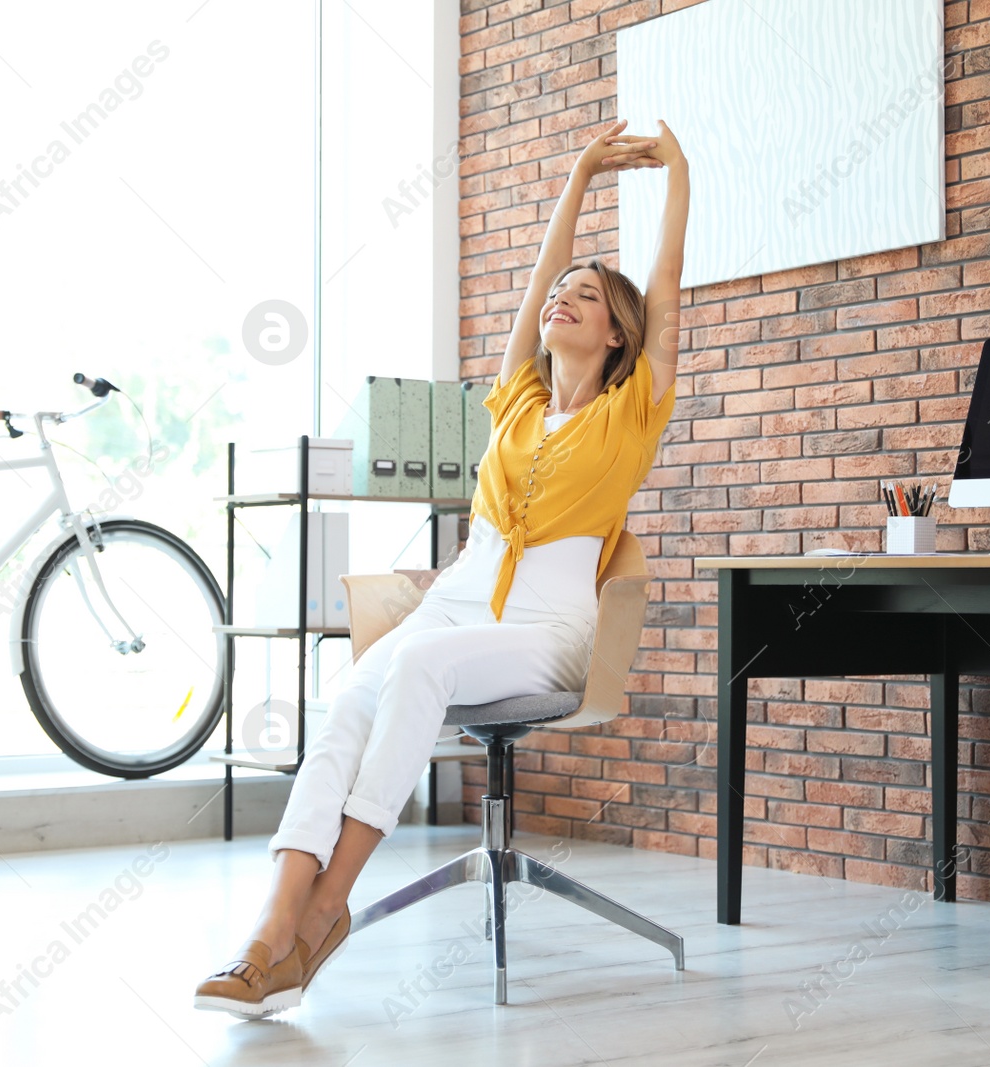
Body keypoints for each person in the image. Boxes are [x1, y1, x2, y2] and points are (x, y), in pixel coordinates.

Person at [194, 117, 691, 1017]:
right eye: (557, 295)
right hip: (460, 597)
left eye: (584, 295)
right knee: (347, 697)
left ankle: (327, 907)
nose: (558, 301)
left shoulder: (633, 413)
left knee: (416, 668)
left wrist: (678, 176)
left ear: (619, 332)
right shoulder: (518, 401)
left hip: (551, 629)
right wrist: (576, 171)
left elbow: (665, 282)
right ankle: (271, 927)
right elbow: (535, 279)